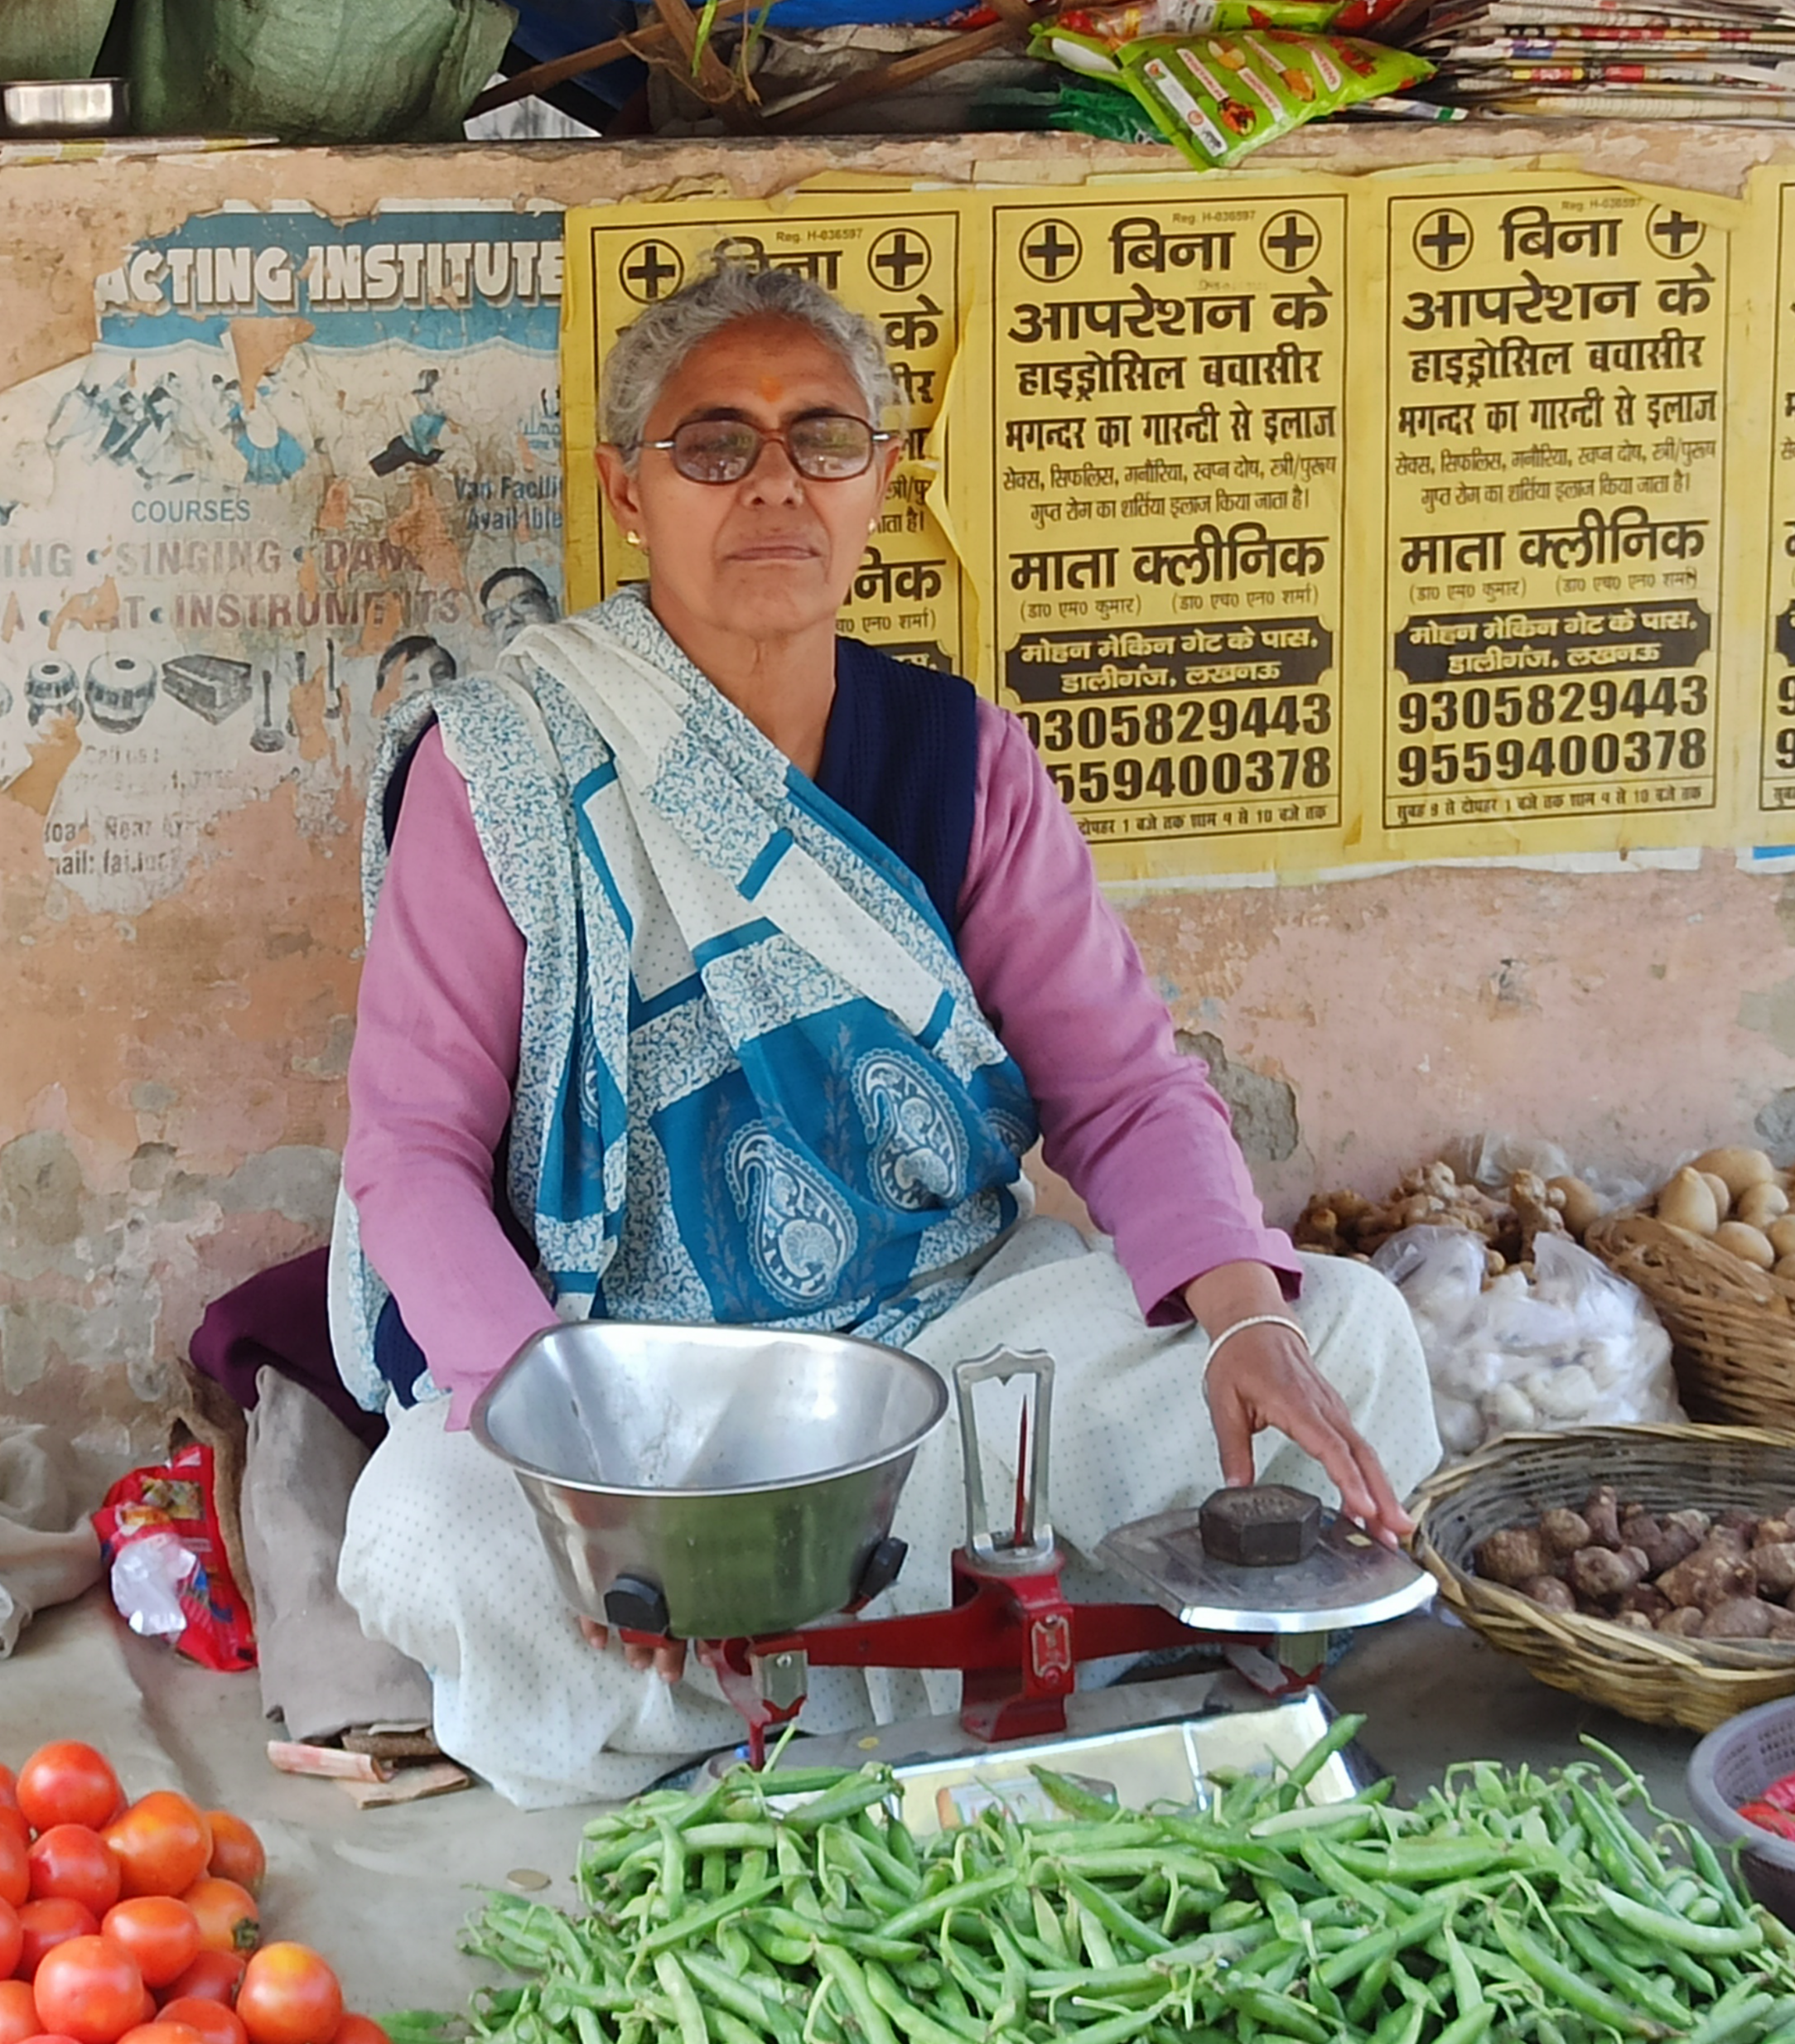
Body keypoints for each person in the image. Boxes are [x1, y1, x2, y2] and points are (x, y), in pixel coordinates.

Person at [327, 263, 1439, 1807]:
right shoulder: (508, 763)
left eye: (820, 440)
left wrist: (1246, 1311)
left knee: (1348, 1338)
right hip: (638, 1384)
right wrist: (592, 1451)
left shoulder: (953, 754)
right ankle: (945, 1649)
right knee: (436, 1530)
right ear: (627, 492)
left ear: (879, 484)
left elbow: (1117, 1086)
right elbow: (412, 1151)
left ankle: (763, 1683)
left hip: (938, 1334)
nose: (771, 481)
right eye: (712, 443)